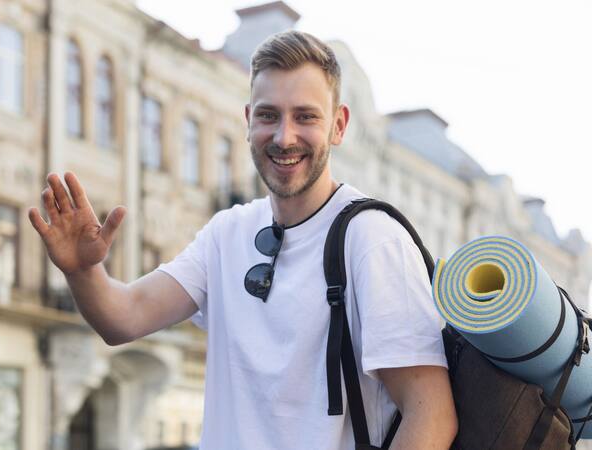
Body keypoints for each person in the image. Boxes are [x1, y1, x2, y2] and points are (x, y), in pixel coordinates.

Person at [29, 30, 457, 450]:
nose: (284, 137)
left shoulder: (373, 239)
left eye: (305, 116)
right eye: (269, 115)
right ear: (248, 120)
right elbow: (124, 318)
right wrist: (83, 270)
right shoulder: (226, 233)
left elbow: (432, 415)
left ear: (338, 126)